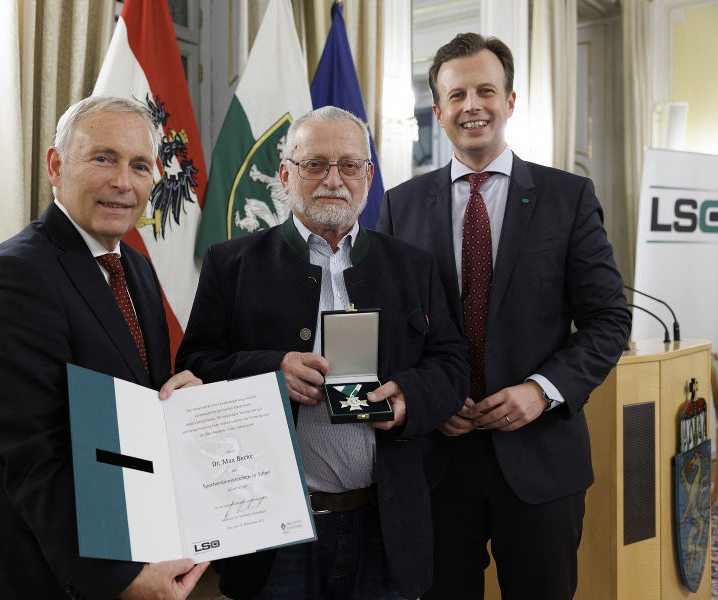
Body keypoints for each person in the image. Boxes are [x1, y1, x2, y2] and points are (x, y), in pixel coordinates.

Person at [377, 33, 632, 599]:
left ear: (510, 101)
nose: (473, 105)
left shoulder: (568, 198)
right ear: (438, 111)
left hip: (540, 458)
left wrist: (542, 391)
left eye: (486, 91)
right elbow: (389, 328)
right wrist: (427, 400)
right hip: (435, 462)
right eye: (458, 94)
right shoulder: (400, 205)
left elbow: (609, 319)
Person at [176, 106, 468, 600]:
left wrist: (408, 398)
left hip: (387, 525)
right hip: (274, 529)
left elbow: (452, 363)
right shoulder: (232, 264)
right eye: (315, 164)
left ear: (368, 177)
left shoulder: (413, 266)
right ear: (286, 173)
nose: (334, 179)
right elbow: (194, 366)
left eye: (350, 166)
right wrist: (271, 369)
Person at [0, 96, 208, 600]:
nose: (123, 182)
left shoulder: (134, 267)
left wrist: (177, 403)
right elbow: (30, 455)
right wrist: (119, 577)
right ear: (56, 165)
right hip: (36, 574)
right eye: (103, 158)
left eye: (139, 165)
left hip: (127, 541)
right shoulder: (16, 275)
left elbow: (133, 407)